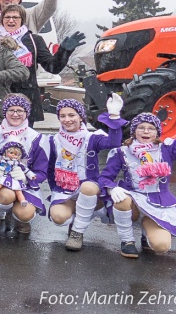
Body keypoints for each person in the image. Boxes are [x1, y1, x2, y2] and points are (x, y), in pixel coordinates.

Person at [100, 87, 176, 258]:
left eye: (150, 128)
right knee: (122, 201)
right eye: (141, 128)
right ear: (134, 131)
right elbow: (105, 177)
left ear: (157, 132)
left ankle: (146, 233)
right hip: (133, 200)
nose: (146, 131)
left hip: (158, 203)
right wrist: (112, 188)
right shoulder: (122, 152)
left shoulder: (169, 149)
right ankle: (127, 241)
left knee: (161, 246)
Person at [48, 97, 127, 252]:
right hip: (66, 190)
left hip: (89, 190)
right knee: (58, 217)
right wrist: (54, 189)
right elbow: (50, 169)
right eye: (62, 116)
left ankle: (77, 232)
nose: (67, 120)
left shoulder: (91, 137)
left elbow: (113, 143)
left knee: (88, 187)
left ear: (80, 116)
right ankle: (75, 219)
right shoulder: (54, 140)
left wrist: (114, 116)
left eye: (72, 115)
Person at [0, 94, 48, 238]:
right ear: (4, 112)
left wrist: (27, 178)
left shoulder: (36, 138)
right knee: (6, 195)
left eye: (20, 110)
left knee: (25, 213)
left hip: (23, 186)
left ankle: (17, 216)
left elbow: (42, 172)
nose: (15, 114)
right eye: (11, 110)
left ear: (26, 113)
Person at [0, 4, 55, 125]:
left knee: (25, 141)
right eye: (7, 17)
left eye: (15, 17)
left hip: (27, 98)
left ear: (22, 20)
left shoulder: (34, 40)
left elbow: (52, 67)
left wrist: (64, 51)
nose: (11, 20)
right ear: (1, 20)